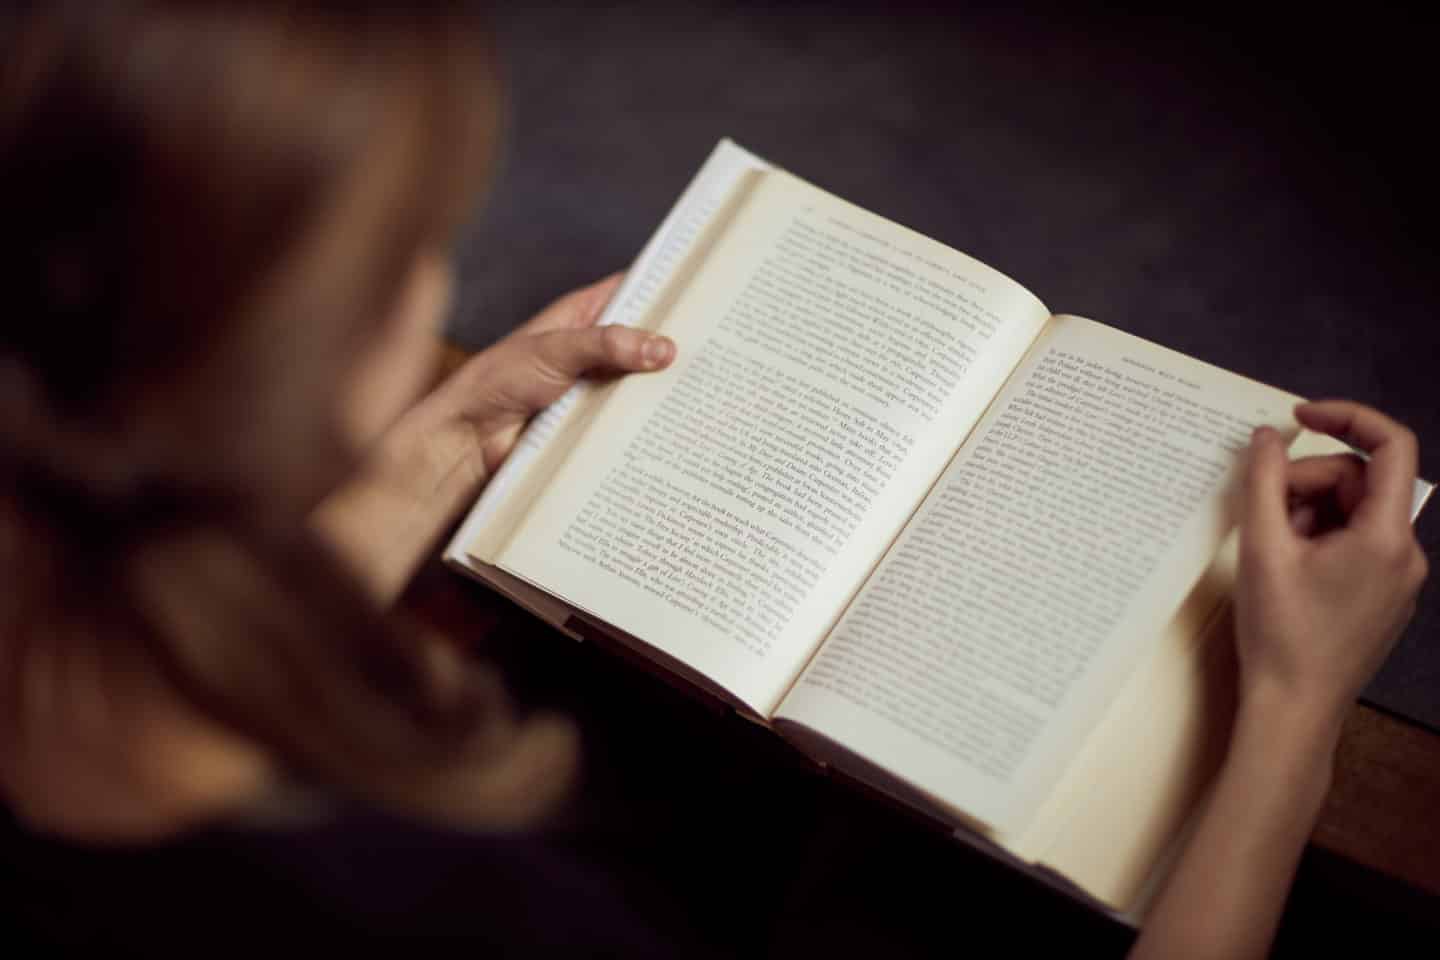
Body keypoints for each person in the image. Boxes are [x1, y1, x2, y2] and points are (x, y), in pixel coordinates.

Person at [0, 2, 1426, 955]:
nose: (433, 279)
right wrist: (1297, 705)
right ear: (305, 356)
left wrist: (436, 443)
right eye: (412, 251)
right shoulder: (452, 901)